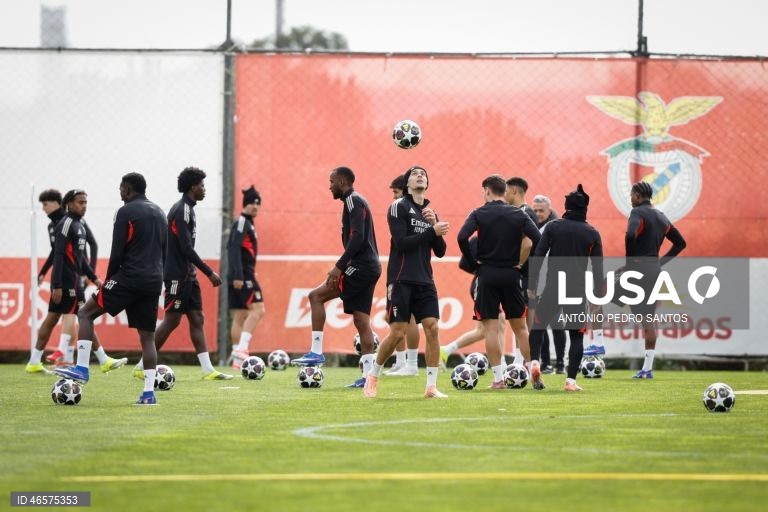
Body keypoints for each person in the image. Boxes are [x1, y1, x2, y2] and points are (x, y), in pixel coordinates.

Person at [55, 173, 168, 406]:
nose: (119, 193)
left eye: (120, 189)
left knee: (85, 313)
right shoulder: (160, 212)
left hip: (128, 276)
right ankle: (148, 394)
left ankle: (83, 368)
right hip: (154, 279)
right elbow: (164, 251)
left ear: (127, 189)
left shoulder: (125, 211)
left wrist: (109, 280)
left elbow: (117, 250)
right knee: (147, 337)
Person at [132, 167, 232, 381]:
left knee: (197, 317)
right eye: (202, 185)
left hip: (188, 274)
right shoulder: (181, 210)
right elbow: (185, 248)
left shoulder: (189, 209)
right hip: (177, 275)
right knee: (172, 320)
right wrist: (209, 272)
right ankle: (141, 365)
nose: (204, 189)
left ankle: (207, 370)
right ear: (192, 187)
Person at [292, 166, 382, 389]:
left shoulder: (353, 200)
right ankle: (368, 377)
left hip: (360, 267)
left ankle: (316, 352)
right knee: (362, 320)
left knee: (315, 296)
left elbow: (358, 238)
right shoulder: (355, 202)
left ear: (342, 182)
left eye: (331, 181)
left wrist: (339, 267)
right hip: (371, 267)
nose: (329, 186)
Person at [364, 166, 449, 399]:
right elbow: (402, 243)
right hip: (401, 277)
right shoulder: (399, 206)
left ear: (427, 183)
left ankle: (431, 387)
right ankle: (373, 375)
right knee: (398, 332)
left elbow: (440, 251)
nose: (420, 175)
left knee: (432, 328)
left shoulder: (430, 212)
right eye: (415, 173)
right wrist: (432, 231)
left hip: (425, 279)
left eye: (423, 173)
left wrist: (436, 228)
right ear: (407, 183)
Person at [26, 190, 127, 375]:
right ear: (69, 204)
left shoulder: (79, 224)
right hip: (67, 283)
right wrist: (56, 284)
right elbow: (58, 255)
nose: (84, 206)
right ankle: (102, 359)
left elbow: (80, 259)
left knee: (58, 318)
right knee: (84, 315)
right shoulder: (65, 225)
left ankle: (34, 361)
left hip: (74, 281)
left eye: (86, 202)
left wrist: (94, 277)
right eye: (80, 202)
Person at [457, 175, 541, 389]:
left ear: (486, 190)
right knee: (521, 328)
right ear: (504, 191)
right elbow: (537, 239)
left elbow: (461, 237)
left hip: (487, 273)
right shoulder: (517, 214)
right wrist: (521, 265)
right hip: (512, 274)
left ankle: (498, 379)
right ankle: (532, 367)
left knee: (492, 329)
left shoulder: (479, 213)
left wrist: (473, 261)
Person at [528, 184, 603, 392]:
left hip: (553, 286)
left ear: (565, 207)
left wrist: (532, 285)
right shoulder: (592, 233)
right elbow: (598, 268)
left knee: (538, 326)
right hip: (577, 291)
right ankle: (570, 381)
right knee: (576, 336)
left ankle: (535, 362)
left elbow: (538, 256)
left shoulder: (553, 227)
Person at [622, 181, 686, 379]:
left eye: (632, 195)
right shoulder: (661, 216)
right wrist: (660, 263)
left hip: (637, 269)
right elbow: (681, 243)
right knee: (647, 319)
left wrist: (630, 261)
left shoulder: (637, 213)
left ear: (639, 195)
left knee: (600, 292)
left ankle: (596, 343)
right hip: (653, 270)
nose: (631, 198)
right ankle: (647, 368)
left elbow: (631, 234)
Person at [36, 189, 99, 367]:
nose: (43, 209)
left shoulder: (72, 219)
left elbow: (92, 244)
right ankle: (68, 357)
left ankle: (64, 352)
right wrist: (43, 271)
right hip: (66, 273)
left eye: (45, 204)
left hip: (75, 272)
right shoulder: (55, 224)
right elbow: (55, 252)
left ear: (57, 203)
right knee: (70, 312)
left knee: (72, 311)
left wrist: (90, 273)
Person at [384, 174, 421, 376]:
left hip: (403, 272)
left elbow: (403, 242)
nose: (394, 198)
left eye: (396, 192)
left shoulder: (405, 210)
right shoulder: (409, 211)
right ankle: (402, 362)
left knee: (409, 319)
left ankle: (411, 364)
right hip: (406, 271)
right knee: (392, 317)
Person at [227, 186, 266, 370]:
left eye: (258, 203)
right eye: (252, 202)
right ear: (245, 204)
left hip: (241, 274)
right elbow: (234, 248)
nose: (255, 206)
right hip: (243, 275)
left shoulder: (248, 223)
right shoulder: (242, 222)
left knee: (240, 314)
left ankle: (237, 362)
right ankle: (242, 349)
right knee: (258, 310)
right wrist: (238, 275)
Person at [530, 193, 568, 374]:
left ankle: (560, 363)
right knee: (540, 322)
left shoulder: (555, 227)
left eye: (541, 210)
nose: (537, 213)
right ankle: (546, 363)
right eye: (535, 210)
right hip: (540, 280)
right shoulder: (534, 226)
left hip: (554, 280)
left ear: (549, 210)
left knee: (556, 323)